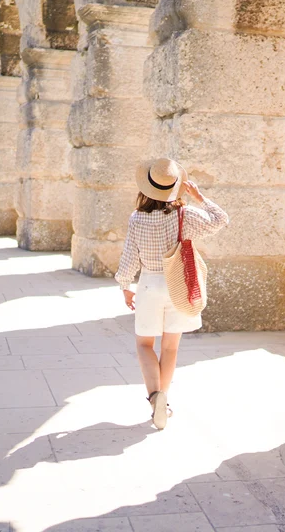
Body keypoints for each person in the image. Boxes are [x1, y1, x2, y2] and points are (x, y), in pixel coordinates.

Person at [115, 157, 229, 430]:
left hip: (149, 285)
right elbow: (220, 220)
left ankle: (155, 397)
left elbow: (130, 256)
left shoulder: (137, 218)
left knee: (144, 344)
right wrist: (200, 197)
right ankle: (163, 402)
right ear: (176, 186)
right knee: (170, 346)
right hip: (179, 284)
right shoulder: (184, 215)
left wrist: (125, 286)